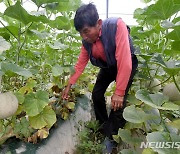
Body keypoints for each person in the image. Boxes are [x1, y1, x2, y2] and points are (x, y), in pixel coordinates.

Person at [62, 3, 138, 153]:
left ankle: (111, 139)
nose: (83, 37)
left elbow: (124, 60)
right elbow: (80, 63)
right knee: (97, 94)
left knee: (118, 104)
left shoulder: (117, 26)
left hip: (126, 62)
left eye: (86, 31)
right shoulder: (87, 41)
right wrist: (70, 84)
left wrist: (119, 91)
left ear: (98, 24)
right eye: (80, 33)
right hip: (109, 66)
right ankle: (103, 126)